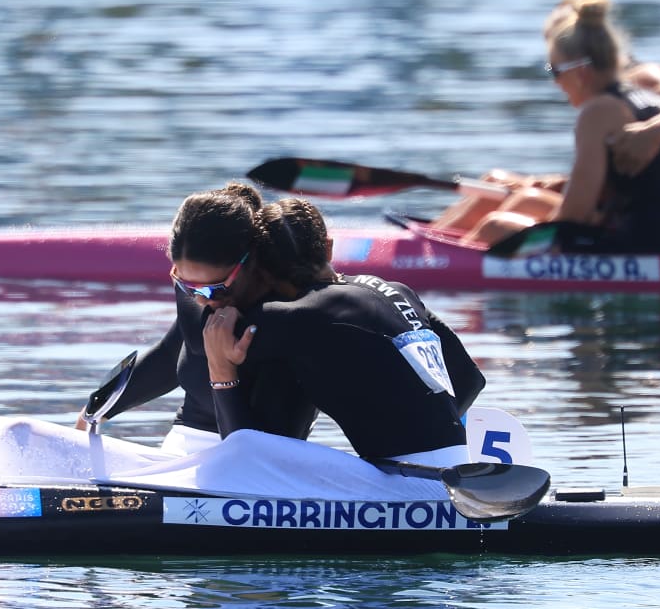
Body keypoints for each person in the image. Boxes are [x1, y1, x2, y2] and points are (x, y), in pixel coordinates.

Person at [433, 0, 660, 241]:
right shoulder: (650, 102)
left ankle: (433, 261)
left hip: (648, 249)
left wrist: (535, 225)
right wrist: (539, 189)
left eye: (555, 71)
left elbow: (572, 219)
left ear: (582, 72)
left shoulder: (600, 110)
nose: (555, 83)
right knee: (522, 199)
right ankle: (428, 242)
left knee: (495, 226)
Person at [203, 197, 485, 465]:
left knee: (250, 457)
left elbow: (243, 453)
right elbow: (470, 379)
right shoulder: (397, 291)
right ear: (328, 248)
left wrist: (220, 370)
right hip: (456, 472)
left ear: (261, 272)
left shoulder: (293, 316)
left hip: (404, 484)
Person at [73, 182, 317, 454]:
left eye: (216, 287)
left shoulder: (289, 315)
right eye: (187, 286)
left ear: (253, 261)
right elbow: (172, 354)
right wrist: (91, 415)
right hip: (180, 455)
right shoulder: (198, 293)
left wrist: (222, 369)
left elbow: (264, 449)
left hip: (259, 467)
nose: (202, 299)